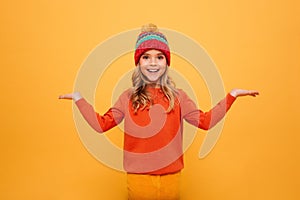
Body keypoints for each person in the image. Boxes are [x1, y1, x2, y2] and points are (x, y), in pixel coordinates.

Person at [59, 23, 259, 200]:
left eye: (159, 57)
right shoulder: (127, 97)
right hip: (139, 180)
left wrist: (231, 96)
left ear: (166, 62)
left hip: (171, 179)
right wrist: (79, 99)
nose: (153, 63)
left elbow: (205, 121)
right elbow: (102, 124)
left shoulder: (178, 97)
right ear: (138, 63)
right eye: (146, 57)